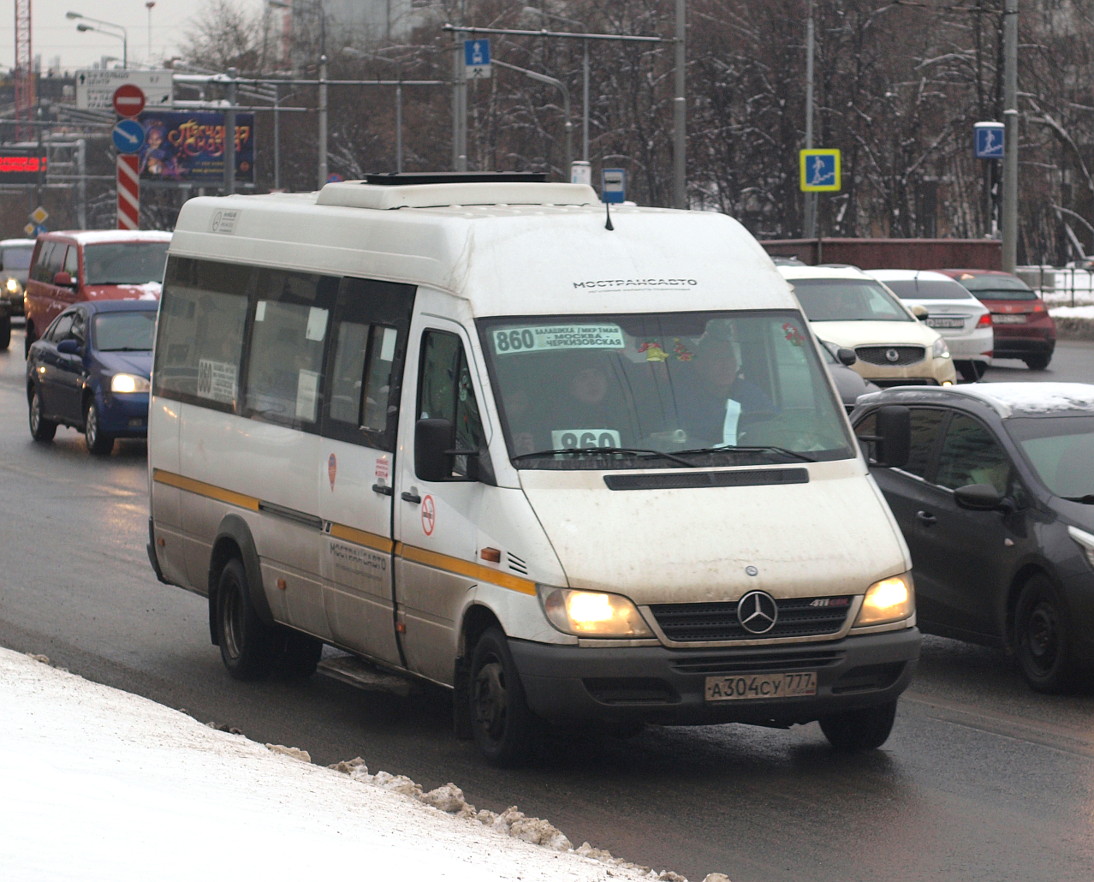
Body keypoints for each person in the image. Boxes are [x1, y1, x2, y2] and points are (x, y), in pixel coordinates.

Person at [675, 333, 775, 446]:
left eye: (729, 357)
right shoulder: (683, 399)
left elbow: (774, 425)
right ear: (699, 365)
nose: (725, 365)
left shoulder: (750, 393)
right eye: (716, 359)